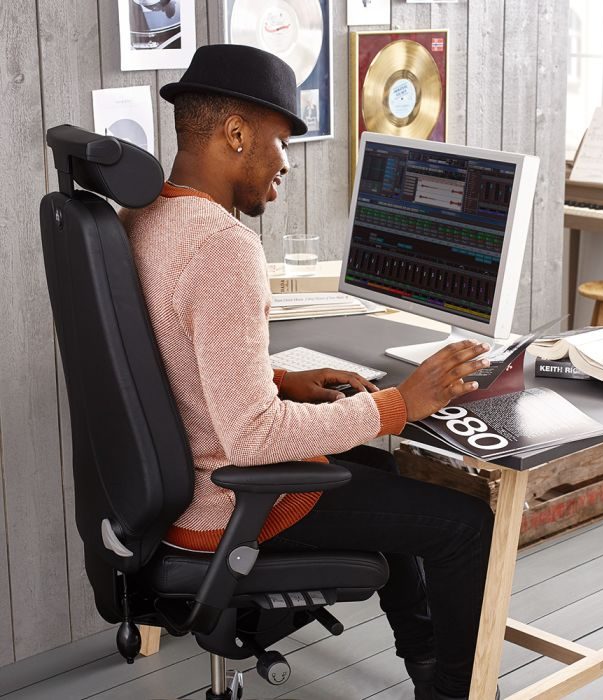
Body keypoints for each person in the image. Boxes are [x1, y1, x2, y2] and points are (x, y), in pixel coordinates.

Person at [122, 44, 497, 700]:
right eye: (281, 140)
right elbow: (252, 439)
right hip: (227, 505)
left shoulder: (147, 216)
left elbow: (173, 354)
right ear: (236, 134)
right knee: (467, 524)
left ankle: (430, 665)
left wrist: (273, 377)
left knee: (385, 475)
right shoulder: (222, 247)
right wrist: (398, 405)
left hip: (171, 498)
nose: (287, 162)